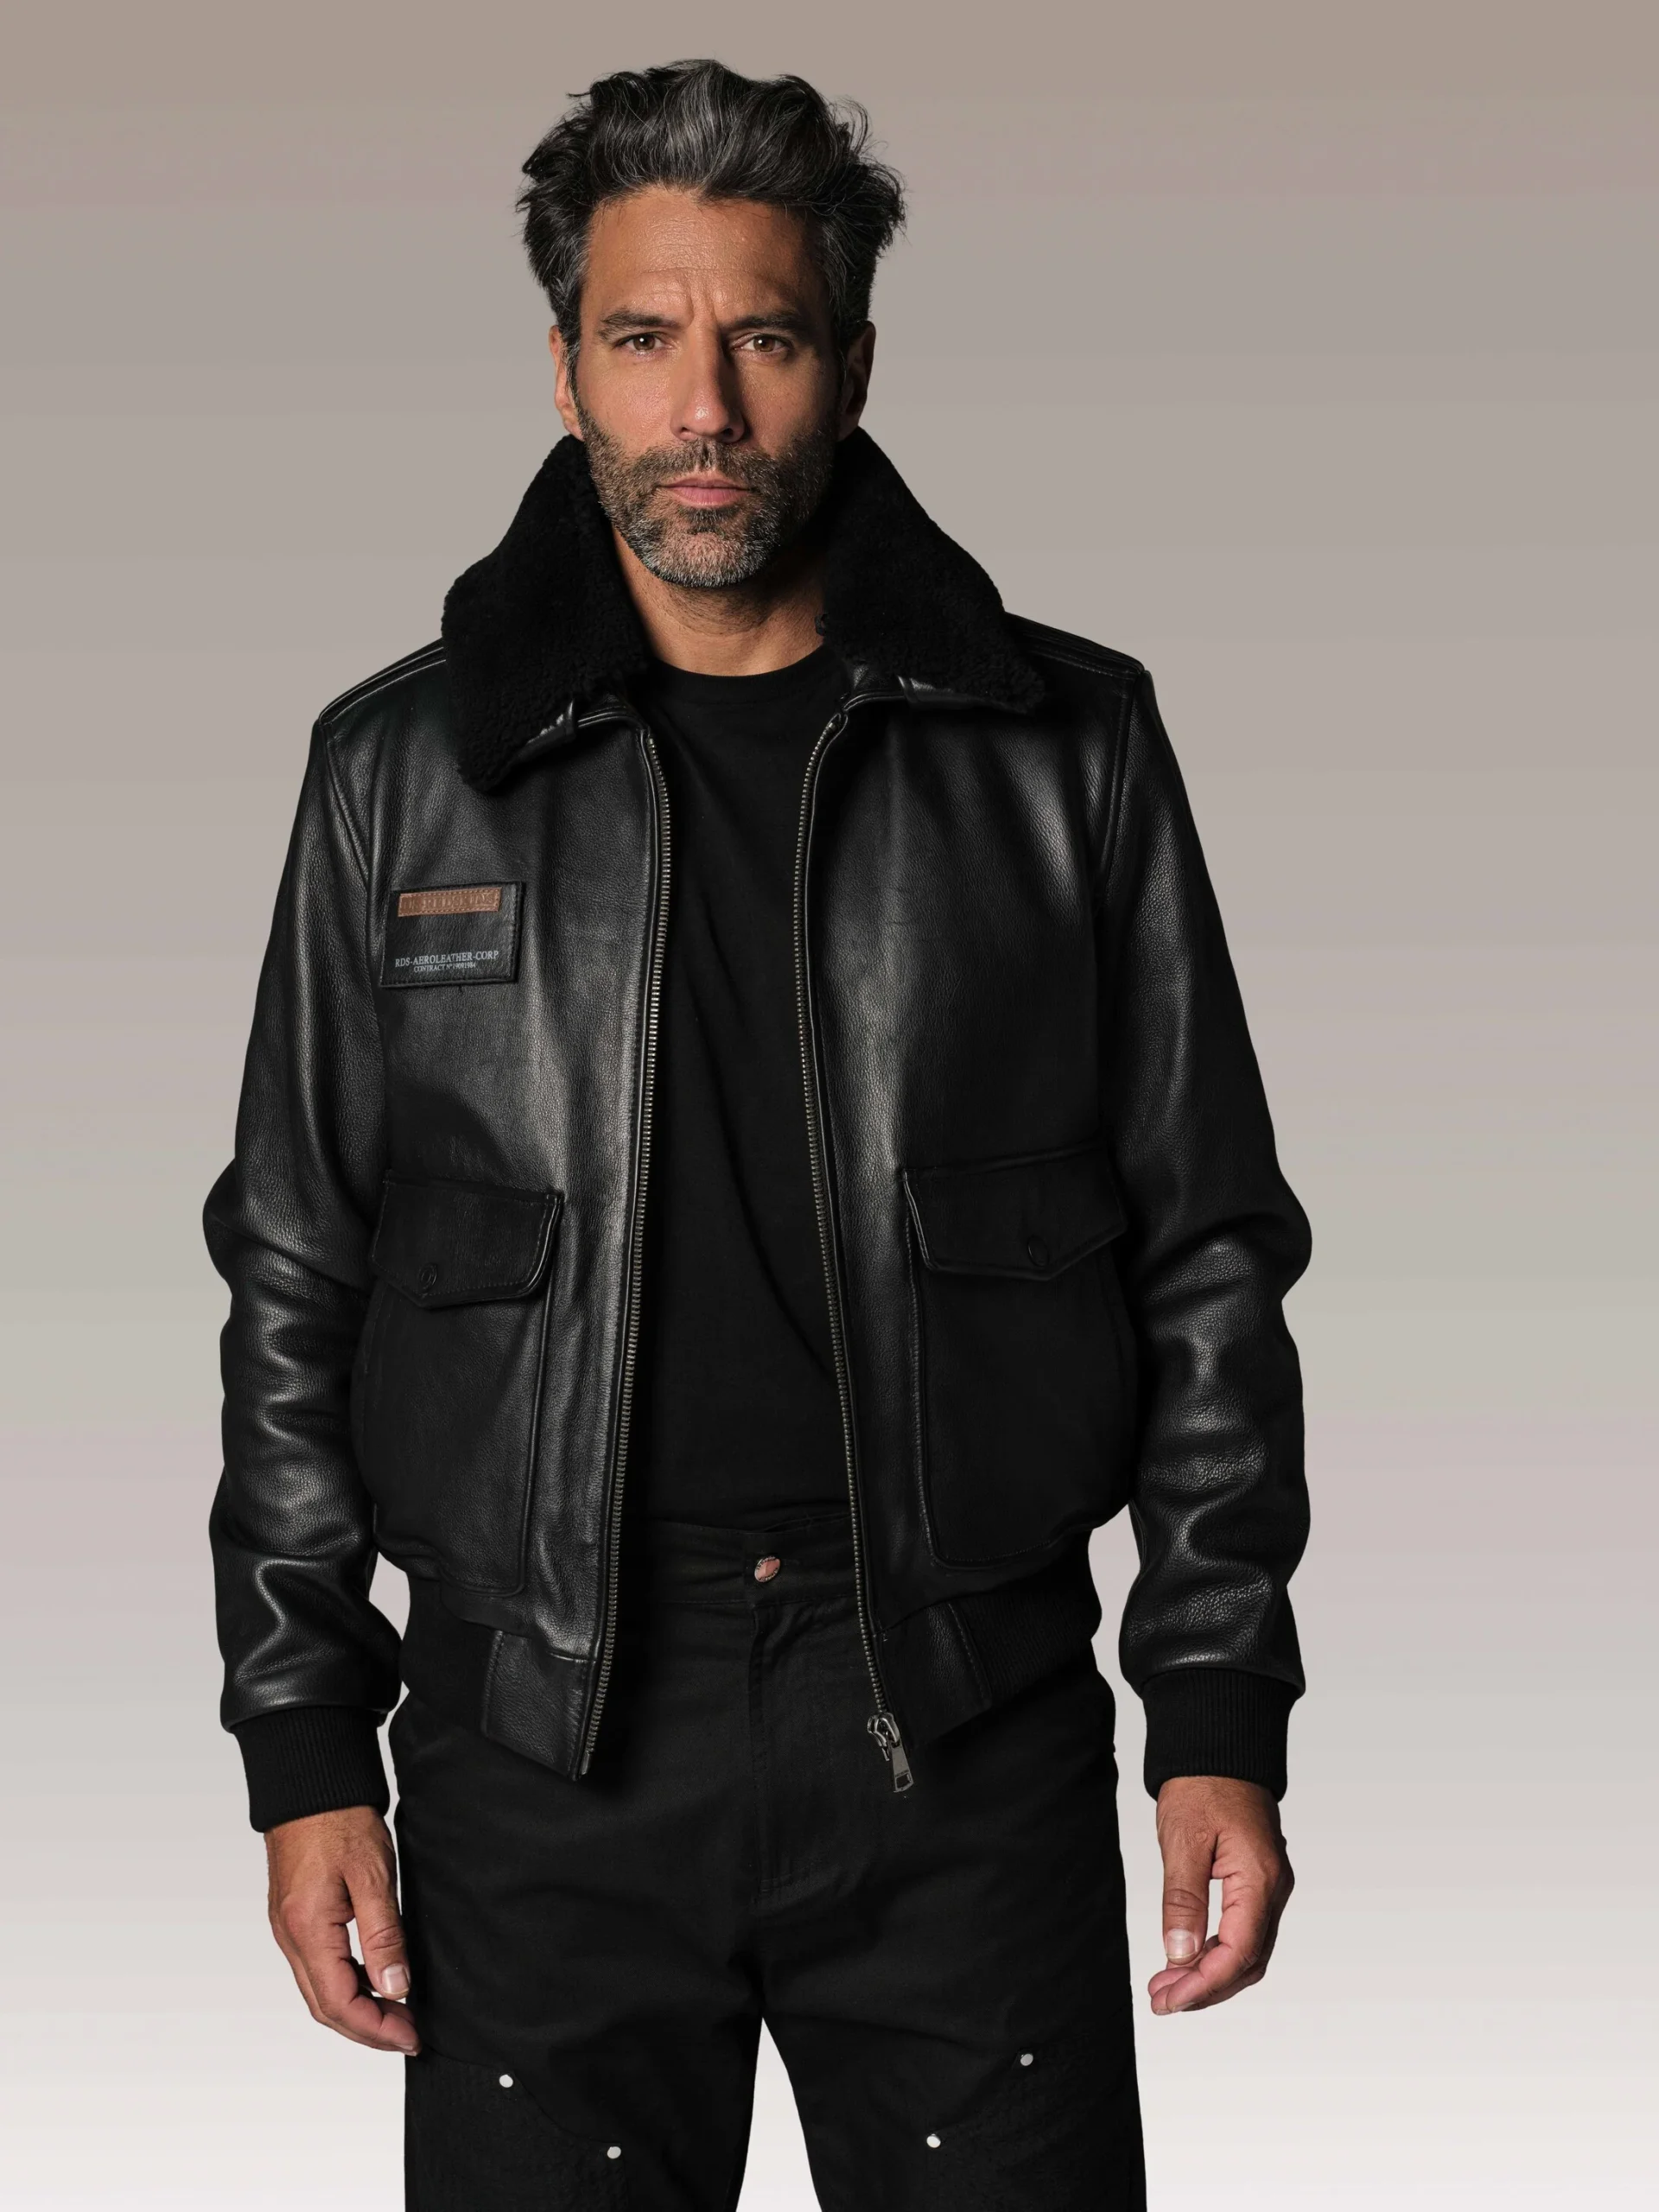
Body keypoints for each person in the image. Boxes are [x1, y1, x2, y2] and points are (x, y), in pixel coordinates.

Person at [206, 57, 1311, 2211]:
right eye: (644, 337)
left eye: (767, 337)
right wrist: (304, 1740)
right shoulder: (400, 775)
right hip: (540, 1736)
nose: (703, 405)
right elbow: (293, 1275)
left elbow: (1208, 1249)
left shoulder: (1063, 749)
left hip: (962, 1717)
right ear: (565, 371)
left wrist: (1214, 1706)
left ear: (854, 365)